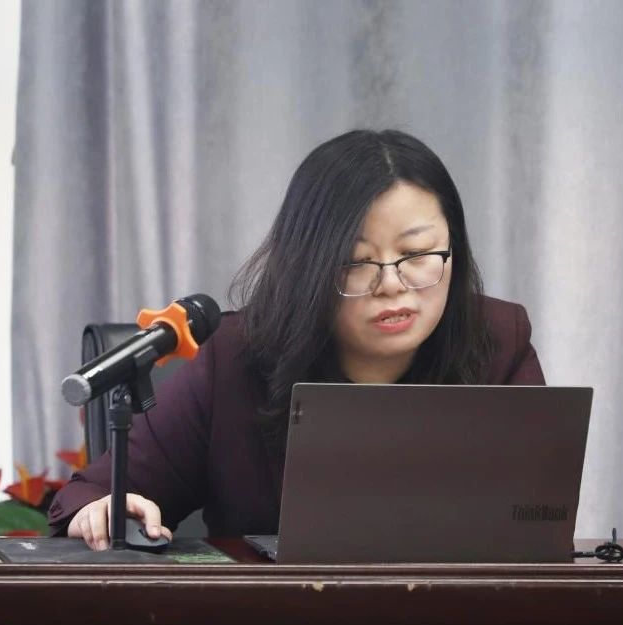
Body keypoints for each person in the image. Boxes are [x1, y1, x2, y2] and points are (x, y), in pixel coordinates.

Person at [48, 129, 546, 551]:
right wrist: (104, 509)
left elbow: (535, 521)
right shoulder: (235, 359)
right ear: (307, 267)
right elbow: (88, 494)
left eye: (416, 254)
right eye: (357, 262)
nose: (391, 284)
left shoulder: (498, 342)